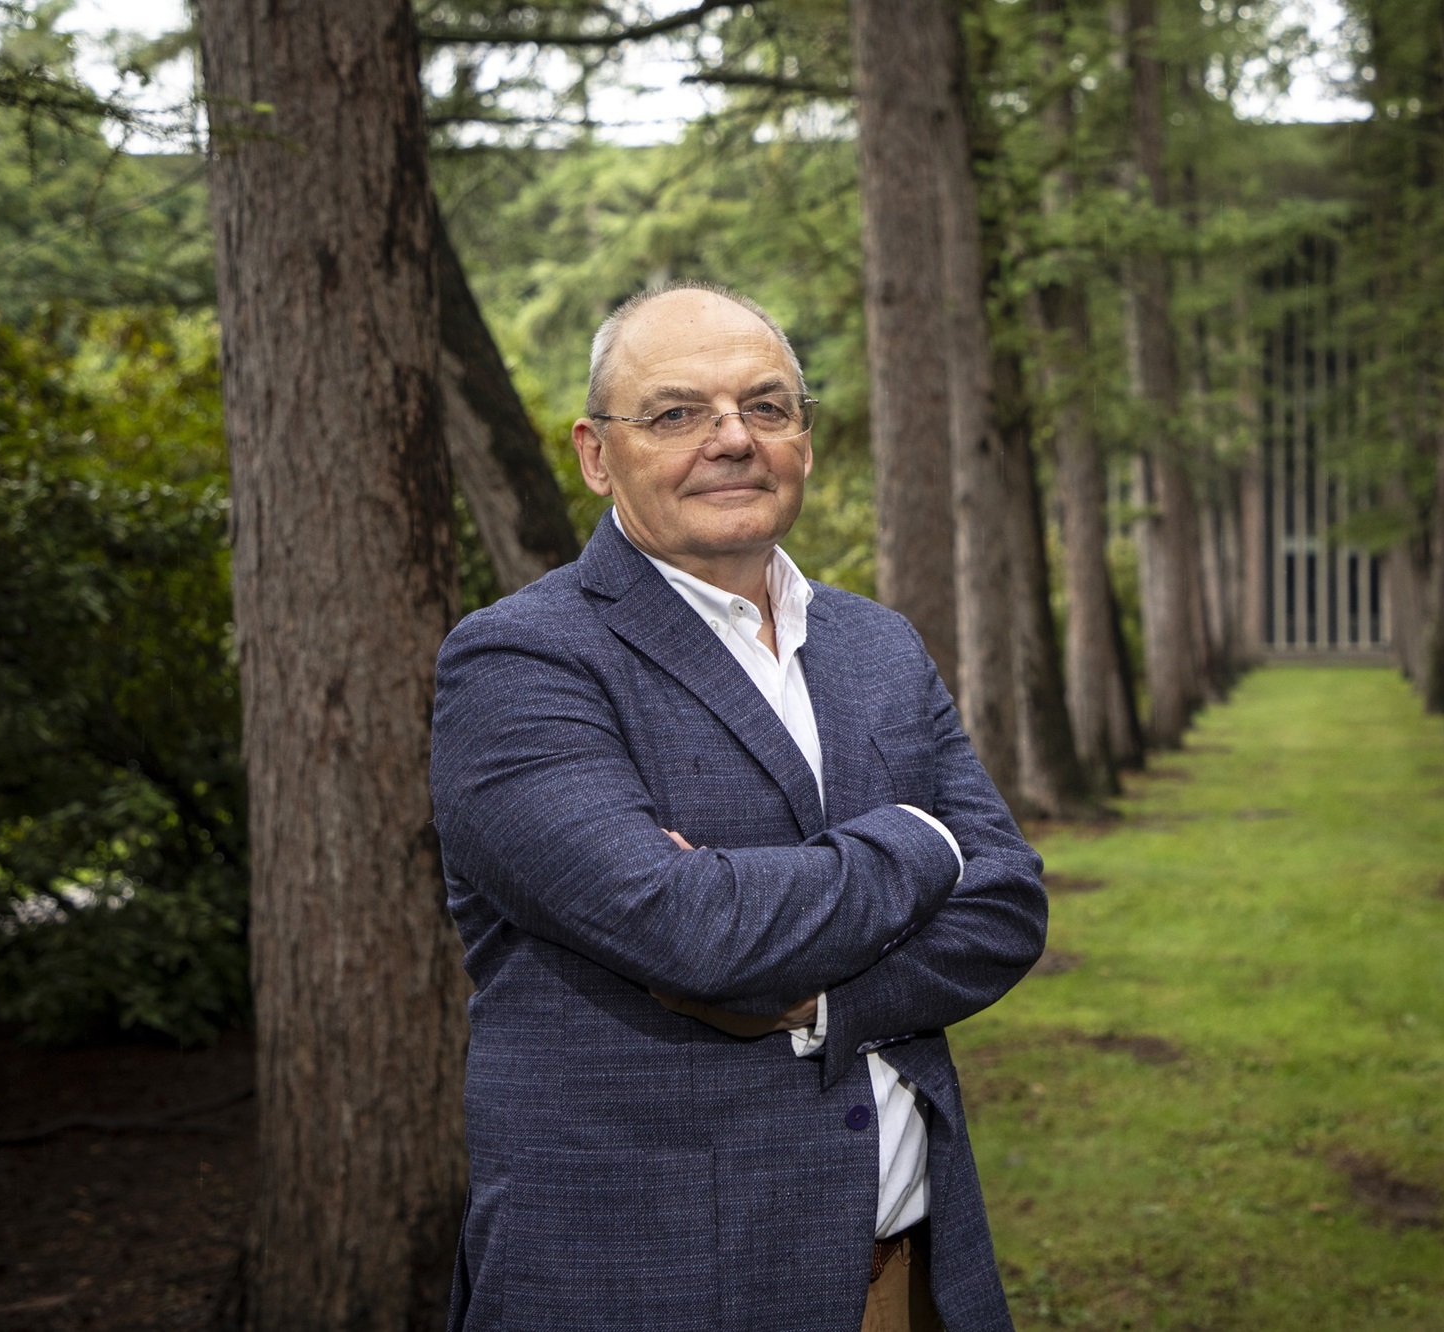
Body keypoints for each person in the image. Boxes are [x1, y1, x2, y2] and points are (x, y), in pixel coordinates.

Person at [430, 282, 1046, 1332]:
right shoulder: (521, 660)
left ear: (803, 437)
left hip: (908, 1274)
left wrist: (816, 1001)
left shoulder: (875, 645)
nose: (731, 440)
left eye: (766, 407)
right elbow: (690, 929)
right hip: (645, 1284)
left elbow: (1005, 911)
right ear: (593, 453)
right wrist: (922, 838)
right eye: (675, 414)